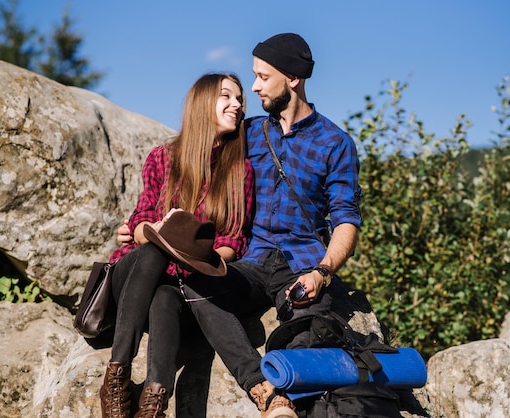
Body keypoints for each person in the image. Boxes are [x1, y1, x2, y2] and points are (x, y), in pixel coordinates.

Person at [180, 33, 362, 418]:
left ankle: (293, 398)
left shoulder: (336, 143)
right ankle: (262, 389)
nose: (255, 87)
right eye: (255, 76)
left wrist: (323, 273)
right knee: (196, 284)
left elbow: (346, 217)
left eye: (263, 77)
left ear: (292, 79)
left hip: (302, 265)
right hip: (252, 260)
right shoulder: (247, 135)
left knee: (307, 332)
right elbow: (194, 164)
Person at [100, 73, 254, 418]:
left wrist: (199, 257)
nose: (237, 105)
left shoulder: (239, 170)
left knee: (166, 295)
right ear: (202, 103)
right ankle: (117, 374)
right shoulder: (163, 157)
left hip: (182, 286)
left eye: (240, 99)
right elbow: (139, 225)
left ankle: (153, 403)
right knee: (155, 250)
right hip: (134, 276)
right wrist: (157, 233)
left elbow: (234, 242)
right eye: (226, 96)